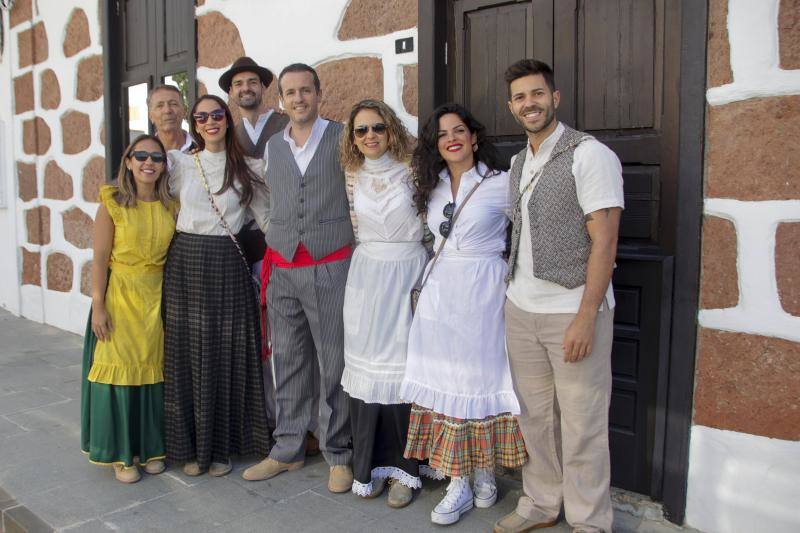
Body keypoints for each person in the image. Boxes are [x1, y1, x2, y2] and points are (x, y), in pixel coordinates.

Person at [493, 59, 624, 533]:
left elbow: (605, 241)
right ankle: (541, 505)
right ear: (511, 107)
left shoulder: (590, 155)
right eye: (520, 97)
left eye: (537, 94)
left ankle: (590, 522)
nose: (530, 103)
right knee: (536, 420)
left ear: (556, 98)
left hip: (572, 309)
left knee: (583, 425)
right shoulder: (517, 161)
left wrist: (586, 316)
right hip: (522, 308)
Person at [400, 103, 527, 525]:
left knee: (479, 379)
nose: (451, 138)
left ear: (474, 137)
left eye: (459, 130)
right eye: (442, 134)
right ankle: (458, 481)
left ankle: (484, 470)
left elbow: (527, 234)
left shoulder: (501, 183)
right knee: (444, 379)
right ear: (436, 145)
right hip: (440, 295)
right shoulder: (430, 187)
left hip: (483, 293)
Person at [242, 63, 354, 494]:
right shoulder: (274, 146)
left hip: (329, 264)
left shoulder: (344, 137)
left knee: (332, 364)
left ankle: (338, 453)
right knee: (286, 362)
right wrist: (274, 234)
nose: (298, 99)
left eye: (305, 91)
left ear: (319, 93)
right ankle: (287, 447)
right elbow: (268, 196)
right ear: (282, 100)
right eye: (290, 93)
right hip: (283, 267)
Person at [163, 95, 271, 477]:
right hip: (185, 264)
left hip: (228, 262)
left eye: (217, 114)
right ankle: (191, 448)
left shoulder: (250, 168)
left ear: (227, 119)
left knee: (227, 353)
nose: (210, 121)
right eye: (202, 116)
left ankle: (222, 448)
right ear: (194, 124)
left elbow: (268, 220)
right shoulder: (180, 165)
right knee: (188, 353)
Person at [339, 99, 430, 507]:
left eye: (377, 127)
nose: (370, 136)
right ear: (353, 138)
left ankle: (406, 473)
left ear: (391, 129)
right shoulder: (351, 173)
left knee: (403, 369)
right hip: (367, 277)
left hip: (406, 272)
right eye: (361, 131)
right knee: (367, 369)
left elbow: (429, 226)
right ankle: (370, 467)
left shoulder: (414, 171)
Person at [81, 135, 177, 483]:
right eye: (141, 156)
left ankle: (151, 448)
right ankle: (123, 457)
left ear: (164, 165)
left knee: (153, 373)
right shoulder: (113, 203)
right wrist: (98, 305)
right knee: (122, 372)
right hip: (120, 295)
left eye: (156, 157)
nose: (148, 162)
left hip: (157, 297)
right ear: (128, 161)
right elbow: (100, 258)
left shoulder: (171, 205)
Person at [219, 56, 289, 160]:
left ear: (263, 87)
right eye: (238, 84)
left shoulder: (287, 123)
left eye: (252, 82)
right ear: (231, 92)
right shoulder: (230, 138)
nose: (246, 88)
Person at [147, 85, 195, 154]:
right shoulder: (142, 156)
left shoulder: (203, 150)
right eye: (160, 105)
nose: (167, 110)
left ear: (184, 111)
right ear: (150, 116)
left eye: (173, 104)